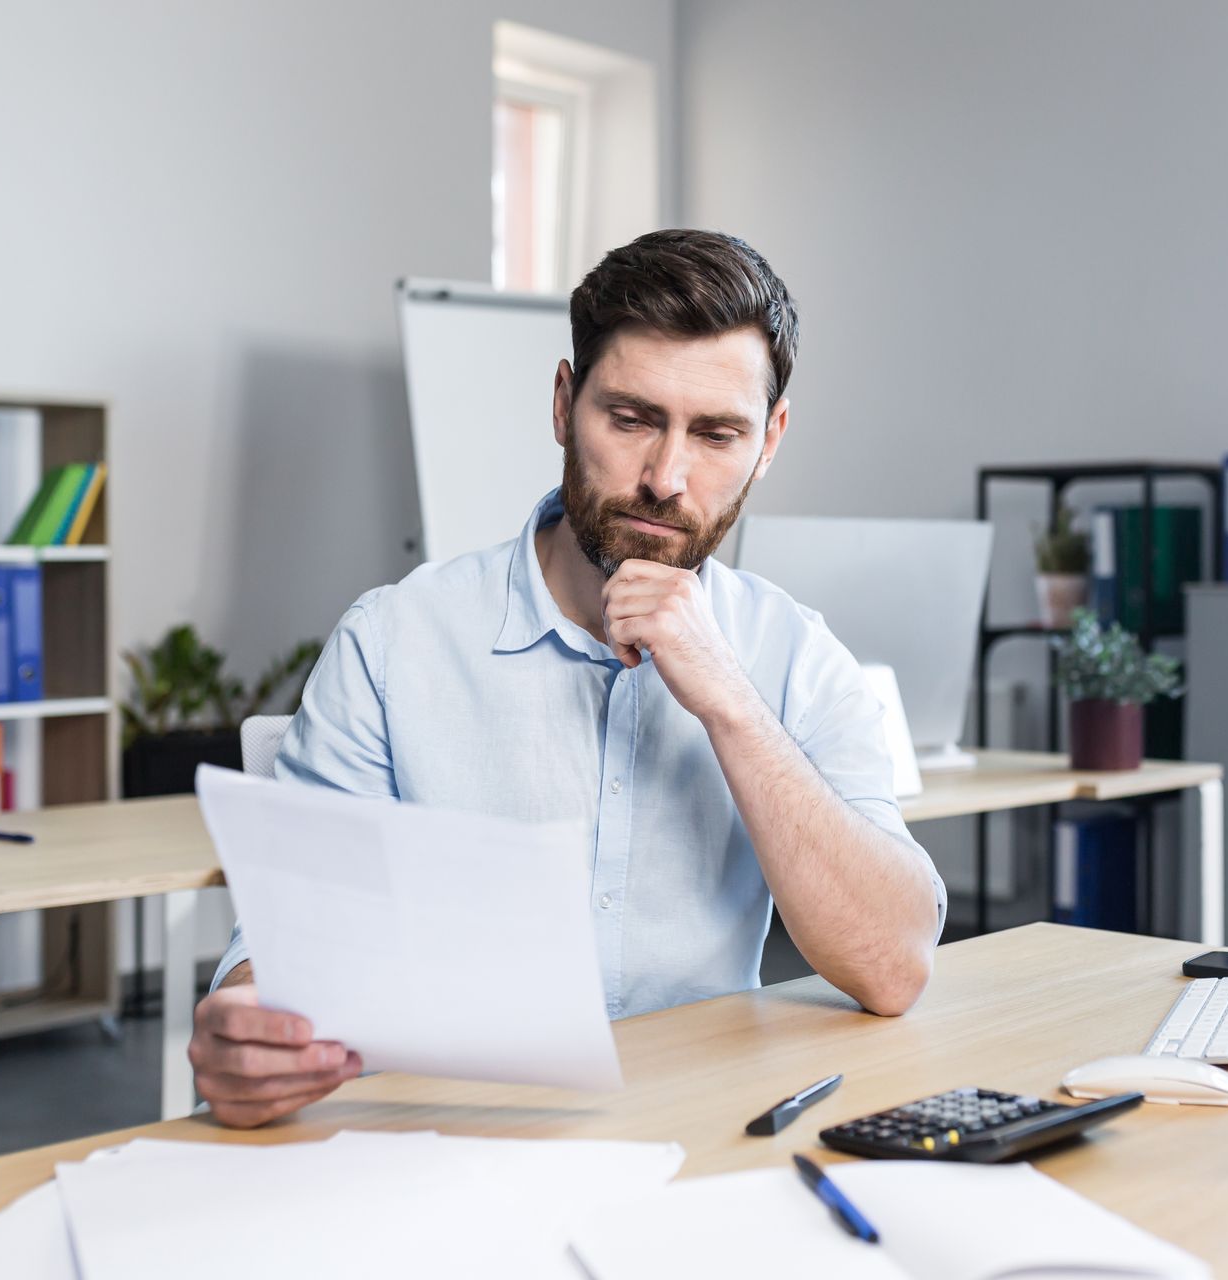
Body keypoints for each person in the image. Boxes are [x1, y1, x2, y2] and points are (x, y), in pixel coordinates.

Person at [187, 229, 946, 1128]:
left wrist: (727, 701)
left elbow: (892, 967)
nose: (666, 477)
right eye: (629, 419)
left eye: (717, 433)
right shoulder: (395, 641)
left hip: (698, 1140)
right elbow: (284, 953)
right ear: (563, 403)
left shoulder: (793, 654)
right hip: (441, 1144)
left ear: (770, 440)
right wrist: (248, 1024)